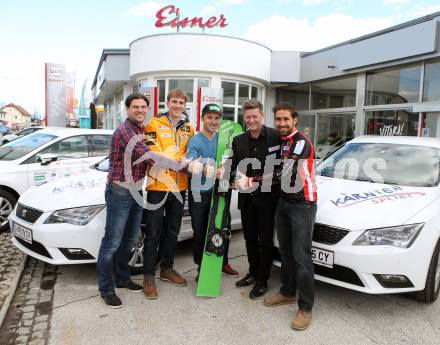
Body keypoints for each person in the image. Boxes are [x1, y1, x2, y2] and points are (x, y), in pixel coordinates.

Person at [96, 93, 167, 308]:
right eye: (135, 107)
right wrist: (184, 165)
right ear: (127, 109)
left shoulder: (141, 129)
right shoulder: (126, 131)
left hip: (137, 190)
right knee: (111, 243)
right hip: (120, 191)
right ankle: (107, 289)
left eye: (143, 107)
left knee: (129, 240)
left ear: (147, 109)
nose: (139, 110)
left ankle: (123, 278)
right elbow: (150, 156)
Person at [263, 102, 317, 331]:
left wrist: (253, 180)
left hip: (302, 204)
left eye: (286, 119)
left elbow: (287, 170)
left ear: (295, 120)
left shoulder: (301, 142)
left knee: (301, 257)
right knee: (285, 251)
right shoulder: (283, 141)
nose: (282, 123)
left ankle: (305, 308)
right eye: (278, 120)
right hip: (284, 203)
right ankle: (287, 292)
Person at [142, 89, 195, 299]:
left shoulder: (189, 128)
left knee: (173, 231)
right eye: (174, 101)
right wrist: (178, 161)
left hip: (179, 187)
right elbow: (153, 154)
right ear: (167, 102)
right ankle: (148, 275)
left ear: (185, 106)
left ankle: (167, 269)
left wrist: (188, 160)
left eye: (181, 103)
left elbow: (192, 153)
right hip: (157, 187)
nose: (177, 105)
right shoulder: (154, 124)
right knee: (153, 232)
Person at [229, 98, 281, 300]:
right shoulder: (238, 140)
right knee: (249, 239)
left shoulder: (276, 137)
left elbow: (282, 167)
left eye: (254, 116)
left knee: (265, 241)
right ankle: (252, 272)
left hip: (268, 199)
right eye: (247, 117)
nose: (251, 120)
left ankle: (262, 280)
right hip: (246, 199)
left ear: (262, 116)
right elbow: (234, 168)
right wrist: (233, 179)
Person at [186, 103, 239, 281]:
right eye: (210, 117)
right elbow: (188, 164)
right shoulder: (196, 140)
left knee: (223, 228)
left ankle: (222, 262)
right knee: (200, 231)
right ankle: (202, 267)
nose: (213, 121)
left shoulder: (223, 139)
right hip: (200, 193)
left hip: (221, 191)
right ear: (202, 118)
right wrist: (203, 168)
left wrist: (230, 174)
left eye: (217, 118)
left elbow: (231, 162)